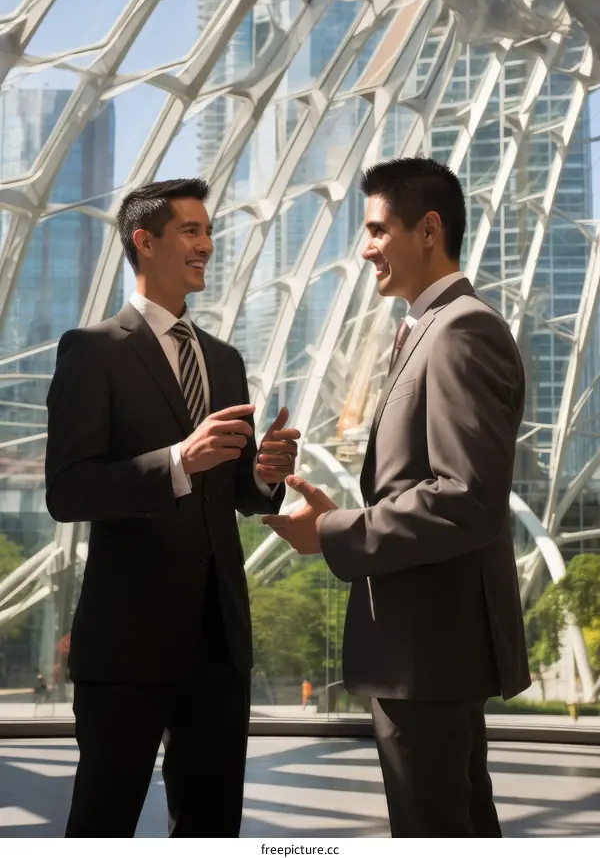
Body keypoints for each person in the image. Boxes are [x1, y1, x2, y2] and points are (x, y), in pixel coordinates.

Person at [264, 157, 530, 838]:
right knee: (457, 824)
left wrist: (334, 531)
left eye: (378, 230)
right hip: (428, 647)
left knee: (431, 828)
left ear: (429, 230)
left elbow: (465, 497)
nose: (366, 248)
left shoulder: (461, 330)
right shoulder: (428, 328)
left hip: (428, 650)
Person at [45, 178, 301, 838]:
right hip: (126, 643)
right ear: (145, 241)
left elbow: (237, 491)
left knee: (212, 828)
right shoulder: (92, 350)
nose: (207, 244)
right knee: (101, 824)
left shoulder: (225, 360)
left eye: (209, 231)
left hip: (219, 641)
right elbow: (68, 491)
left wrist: (266, 474)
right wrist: (177, 461)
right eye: (191, 230)